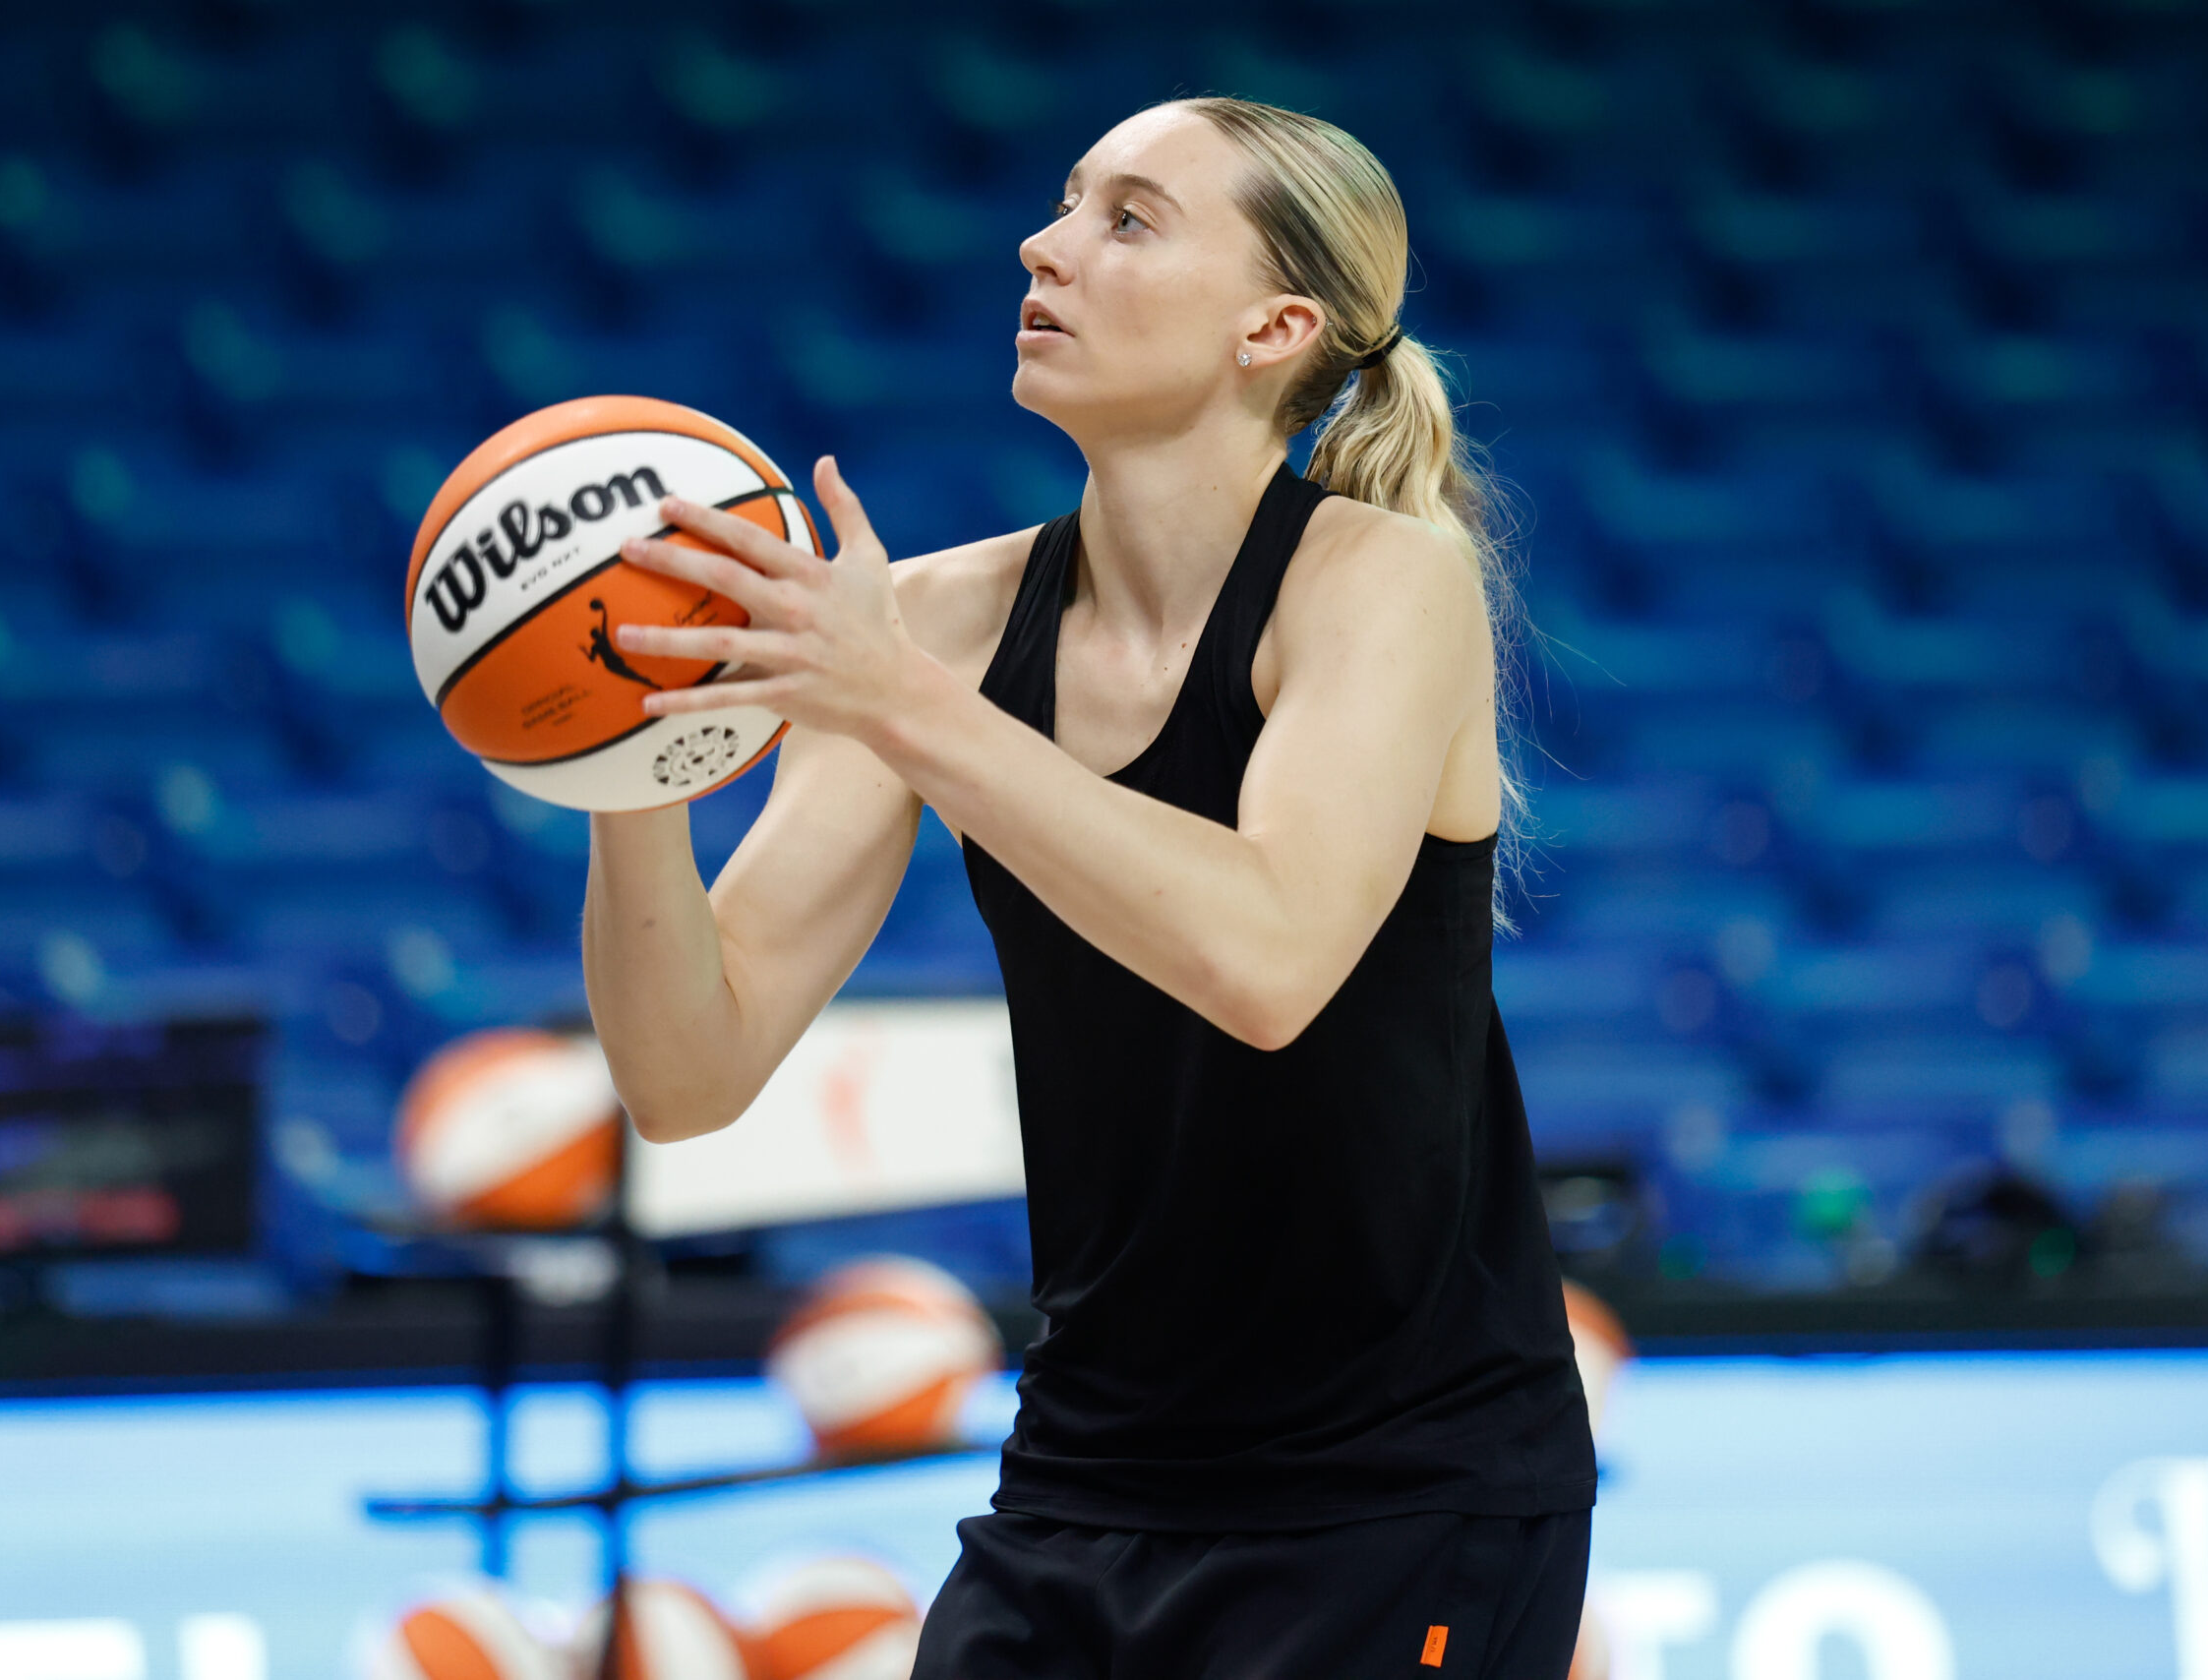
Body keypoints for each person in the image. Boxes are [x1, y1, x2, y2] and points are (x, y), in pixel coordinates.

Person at [582, 96, 1595, 1679]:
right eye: (1065, 205)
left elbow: (1268, 958)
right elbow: (683, 1072)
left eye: (1128, 218)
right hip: (1083, 1476)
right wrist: (619, 762)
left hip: (1401, 1492)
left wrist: (902, 702)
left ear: (1276, 325)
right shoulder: (925, 624)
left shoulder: (1385, 581)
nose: (1042, 246)